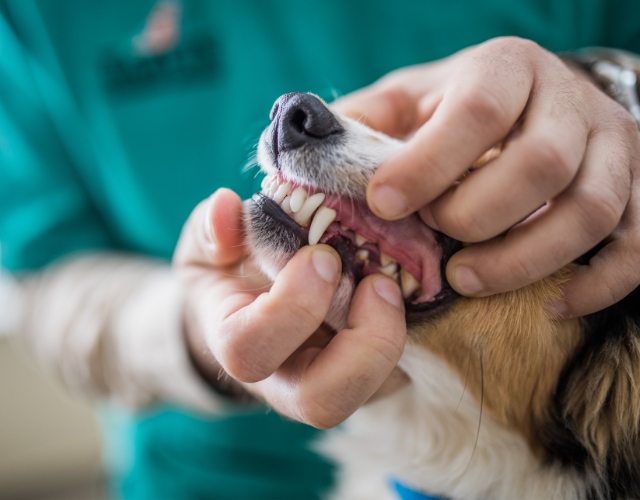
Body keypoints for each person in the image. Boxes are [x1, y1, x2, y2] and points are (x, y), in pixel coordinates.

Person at [1, 1, 639, 499]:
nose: (301, 114)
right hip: (209, 482)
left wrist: (612, 85)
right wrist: (192, 335)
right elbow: (38, 275)